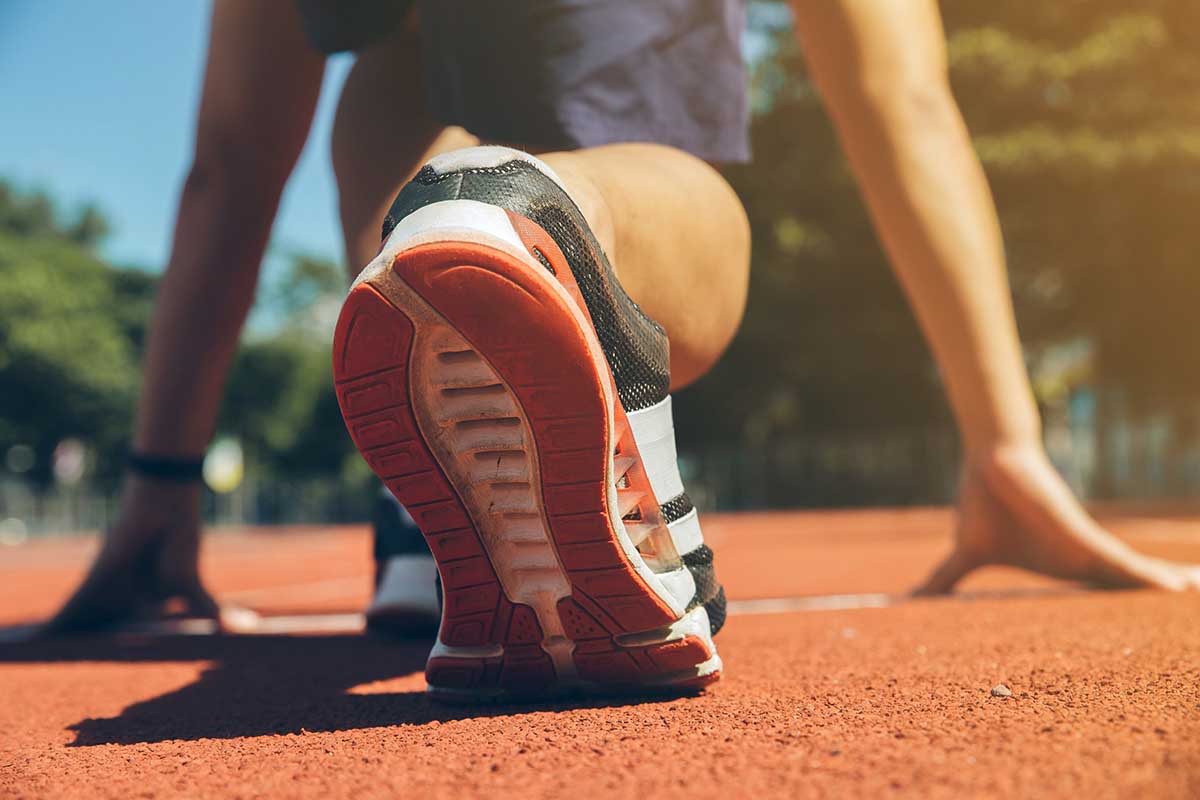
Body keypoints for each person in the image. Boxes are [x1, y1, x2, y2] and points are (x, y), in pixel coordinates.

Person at [45, 0, 1199, 695]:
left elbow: (230, 161)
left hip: (382, 140)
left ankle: (416, 518)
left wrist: (160, 480)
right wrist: (1005, 442)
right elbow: (897, 89)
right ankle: (553, 229)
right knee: (607, 162)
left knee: (396, 56)